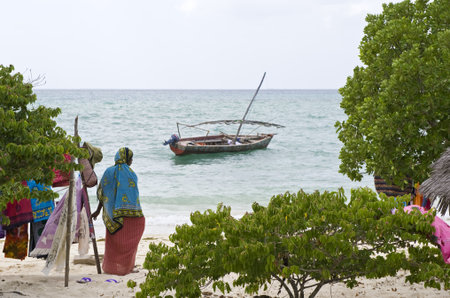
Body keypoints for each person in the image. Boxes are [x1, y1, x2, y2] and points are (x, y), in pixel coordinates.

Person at [91, 147, 144, 275]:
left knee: (113, 243)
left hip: (113, 215)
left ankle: (112, 268)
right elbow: (134, 196)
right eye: (131, 159)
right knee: (130, 242)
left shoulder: (108, 172)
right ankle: (127, 267)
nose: (131, 161)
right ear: (127, 159)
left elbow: (103, 194)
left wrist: (98, 211)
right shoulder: (131, 173)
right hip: (132, 216)